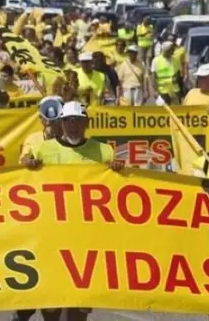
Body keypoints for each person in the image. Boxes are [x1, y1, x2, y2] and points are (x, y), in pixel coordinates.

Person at [20, 101, 122, 321]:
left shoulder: (103, 151)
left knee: (78, 304)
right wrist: (27, 165)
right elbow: (22, 179)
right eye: (68, 121)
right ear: (61, 123)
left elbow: (118, 188)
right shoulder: (42, 150)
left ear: (87, 123)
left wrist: (118, 170)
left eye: (78, 122)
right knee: (51, 303)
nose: (73, 127)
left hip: (86, 240)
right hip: (52, 236)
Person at [19, 96, 63, 163]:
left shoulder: (72, 137)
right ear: (40, 118)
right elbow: (24, 158)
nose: (50, 117)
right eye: (45, 112)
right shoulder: (33, 138)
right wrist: (28, 161)